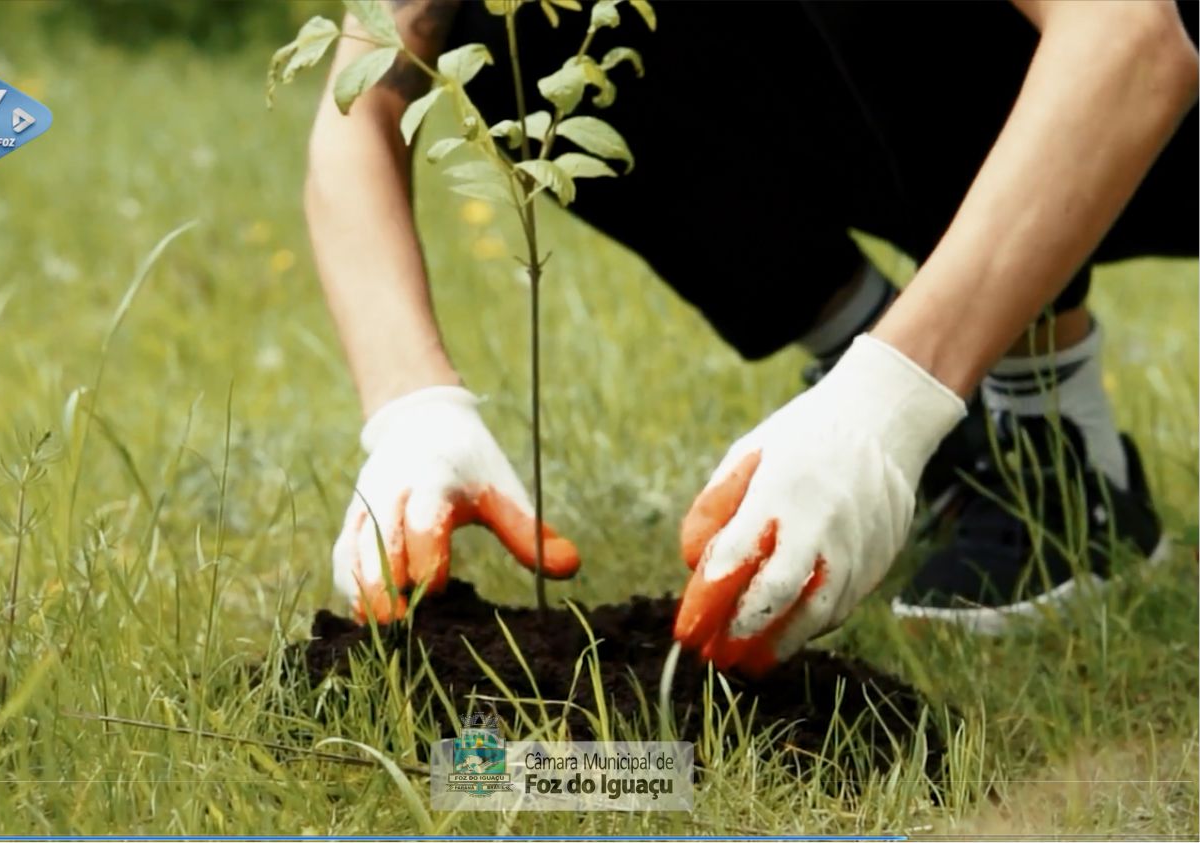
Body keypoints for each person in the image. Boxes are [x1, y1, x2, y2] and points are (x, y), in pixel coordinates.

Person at [304, 0, 1198, 673]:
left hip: (1143, 109)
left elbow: (1128, 38)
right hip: (884, 94)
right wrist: (411, 410)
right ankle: (900, 376)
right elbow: (361, 98)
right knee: (527, 29)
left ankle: (1049, 434)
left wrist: (882, 407)